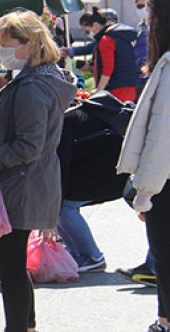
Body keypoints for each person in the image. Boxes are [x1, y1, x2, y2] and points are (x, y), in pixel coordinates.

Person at [0, 10, 77, 332]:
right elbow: (29, 136)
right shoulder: (40, 80)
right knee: (10, 259)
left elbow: (29, 144)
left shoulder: (32, 85)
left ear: (29, 45)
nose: (0, 53)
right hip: (28, 183)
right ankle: (26, 331)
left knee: (9, 260)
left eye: (5, 45)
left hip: (21, 184)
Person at [116, 0, 170, 332]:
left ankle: (167, 328)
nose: (144, 19)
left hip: (165, 179)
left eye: (147, 11)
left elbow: (160, 137)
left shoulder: (167, 65)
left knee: (165, 254)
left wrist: (144, 191)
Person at [56, 92, 132, 273]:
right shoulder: (85, 113)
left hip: (110, 172)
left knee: (63, 206)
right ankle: (77, 253)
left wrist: (54, 198)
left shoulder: (65, 121)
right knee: (61, 205)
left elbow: (62, 164)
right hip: (119, 169)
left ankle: (90, 256)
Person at [78, 7, 139, 102]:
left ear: (95, 25)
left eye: (87, 30)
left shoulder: (106, 40)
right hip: (129, 85)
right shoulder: (118, 36)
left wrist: (99, 91)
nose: (89, 33)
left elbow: (107, 69)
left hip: (117, 87)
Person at [135, 0, 152, 99]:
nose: (141, 10)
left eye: (144, 6)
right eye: (139, 6)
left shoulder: (160, 27)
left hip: (151, 72)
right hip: (139, 73)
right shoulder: (141, 26)